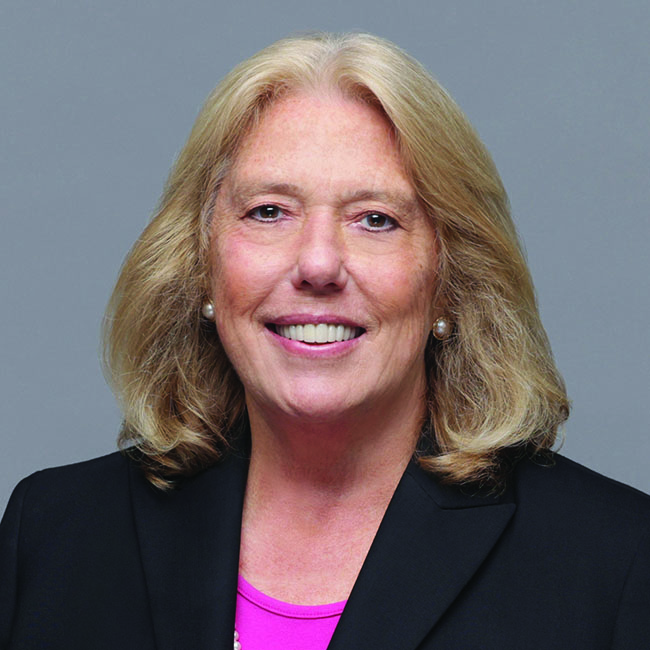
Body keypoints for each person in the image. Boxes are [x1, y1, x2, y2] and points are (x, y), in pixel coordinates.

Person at [1, 32, 649, 650]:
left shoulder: (615, 561)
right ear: (201, 266)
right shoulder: (54, 533)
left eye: (375, 220)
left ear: (449, 282)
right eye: (269, 212)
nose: (317, 264)